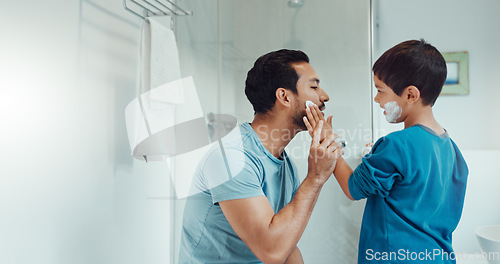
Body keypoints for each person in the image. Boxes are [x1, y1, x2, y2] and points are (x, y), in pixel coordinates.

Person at [305, 39, 468, 263]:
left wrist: (327, 139)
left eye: (381, 91)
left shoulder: (396, 144)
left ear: (411, 95)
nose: (376, 99)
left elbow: (353, 188)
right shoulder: (452, 150)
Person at [178, 49, 343, 264]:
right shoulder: (231, 158)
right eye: (314, 86)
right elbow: (272, 251)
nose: (324, 96)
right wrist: (315, 178)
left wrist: (318, 175)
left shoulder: (285, 164)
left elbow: (286, 245)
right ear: (284, 96)